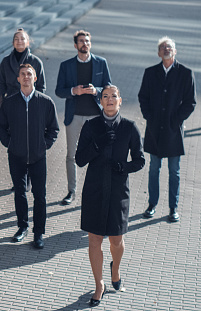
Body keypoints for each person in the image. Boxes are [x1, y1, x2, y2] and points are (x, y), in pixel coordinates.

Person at [75, 85, 145, 307]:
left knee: (116, 240)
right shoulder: (91, 126)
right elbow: (79, 159)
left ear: (120, 101)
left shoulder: (129, 127)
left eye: (113, 96)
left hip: (118, 191)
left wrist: (124, 167)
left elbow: (140, 160)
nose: (109, 99)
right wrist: (97, 145)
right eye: (105, 96)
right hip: (94, 189)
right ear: (101, 102)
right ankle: (99, 284)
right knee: (95, 240)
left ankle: (116, 269)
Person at [0, 64, 59, 249]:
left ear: (35, 78)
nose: (26, 77)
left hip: (38, 157)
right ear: (18, 79)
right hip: (16, 156)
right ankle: (22, 227)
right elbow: (1, 126)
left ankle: (38, 232)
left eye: (29, 74)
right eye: (22, 74)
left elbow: (53, 129)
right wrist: (10, 143)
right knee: (20, 193)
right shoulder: (10, 102)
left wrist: (44, 144)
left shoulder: (46, 102)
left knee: (40, 196)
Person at [138, 36, 197, 222]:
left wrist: (177, 119)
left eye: (169, 46)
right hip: (155, 129)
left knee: (174, 171)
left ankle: (173, 208)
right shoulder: (150, 72)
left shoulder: (186, 73)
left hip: (173, 131)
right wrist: (150, 116)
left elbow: (190, 102)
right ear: (158, 52)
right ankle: (152, 205)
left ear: (175, 51)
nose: (166, 49)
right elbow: (143, 97)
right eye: (162, 47)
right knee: (154, 169)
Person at [55, 30, 111, 206]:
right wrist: (74, 91)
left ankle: (96, 190)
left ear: (90, 44)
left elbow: (109, 87)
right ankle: (71, 191)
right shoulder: (66, 65)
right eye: (81, 41)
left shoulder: (101, 63)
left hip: (96, 116)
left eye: (87, 41)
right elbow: (59, 90)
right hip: (74, 116)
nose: (84, 44)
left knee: (98, 154)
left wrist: (97, 91)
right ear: (75, 45)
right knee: (71, 155)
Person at [0, 28, 46, 104]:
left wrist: (36, 100)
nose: (19, 41)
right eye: (16, 39)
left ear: (28, 43)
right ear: (13, 43)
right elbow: (1, 81)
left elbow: (41, 85)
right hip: (10, 100)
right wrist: (3, 96)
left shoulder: (36, 62)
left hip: (30, 100)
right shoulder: (6, 61)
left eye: (22, 39)